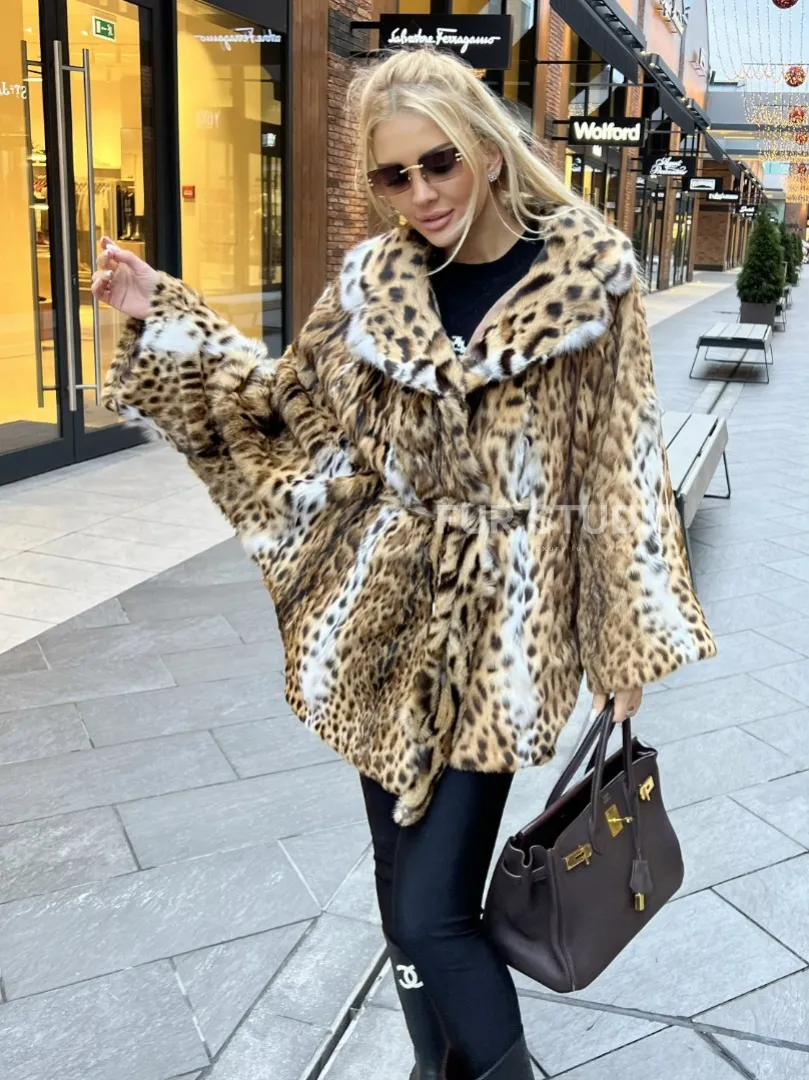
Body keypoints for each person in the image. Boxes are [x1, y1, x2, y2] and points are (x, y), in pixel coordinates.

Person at [94, 48, 716, 1080]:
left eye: (439, 162)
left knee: (432, 915)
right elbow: (279, 413)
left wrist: (622, 640)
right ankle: (439, 1066)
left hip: (499, 638)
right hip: (380, 631)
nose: (421, 192)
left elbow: (621, 472)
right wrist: (164, 312)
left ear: (486, 149)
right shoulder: (368, 288)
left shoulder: (587, 280)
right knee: (400, 895)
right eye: (394, 175)